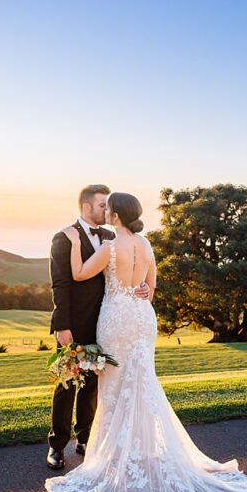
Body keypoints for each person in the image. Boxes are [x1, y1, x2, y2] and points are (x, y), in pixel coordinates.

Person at [44, 191, 247, 492]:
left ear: (118, 216)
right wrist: (139, 289)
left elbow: (77, 274)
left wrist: (77, 242)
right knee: (141, 383)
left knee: (114, 387)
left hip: (117, 320)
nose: (105, 211)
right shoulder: (148, 245)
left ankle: (115, 459)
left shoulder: (108, 247)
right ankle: (128, 450)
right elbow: (149, 290)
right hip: (141, 319)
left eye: (109, 208)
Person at [46, 184, 150, 470]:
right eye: (102, 205)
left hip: (107, 323)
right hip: (75, 324)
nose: (107, 210)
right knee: (67, 384)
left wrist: (141, 287)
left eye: (109, 206)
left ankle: (85, 437)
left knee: (93, 384)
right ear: (86, 207)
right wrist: (62, 324)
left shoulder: (110, 237)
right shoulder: (65, 238)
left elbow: (128, 272)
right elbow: (61, 283)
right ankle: (57, 446)